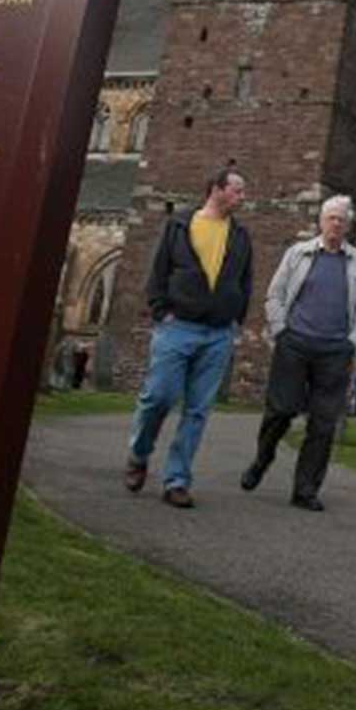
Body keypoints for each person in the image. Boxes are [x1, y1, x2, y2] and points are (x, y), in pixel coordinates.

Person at [124, 164, 252, 509]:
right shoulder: (179, 224)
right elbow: (158, 271)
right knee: (159, 397)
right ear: (217, 189)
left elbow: (245, 281)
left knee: (197, 410)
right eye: (237, 190)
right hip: (177, 326)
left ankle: (177, 480)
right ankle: (139, 455)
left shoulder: (240, 236)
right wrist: (160, 310)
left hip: (218, 333)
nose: (243, 197)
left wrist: (236, 318)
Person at [243, 194, 356, 511]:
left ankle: (305, 490)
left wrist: (352, 342)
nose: (336, 224)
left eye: (341, 220)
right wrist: (281, 331)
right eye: (331, 218)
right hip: (296, 343)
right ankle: (263, 457)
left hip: (334, 350)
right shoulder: (298, 254)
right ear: (321, 221)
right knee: (281, 410)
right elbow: (274, 294)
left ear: (348, 226)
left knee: (323, 423)